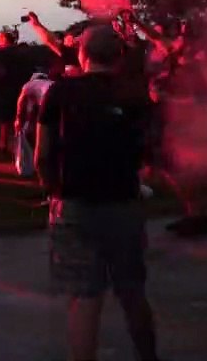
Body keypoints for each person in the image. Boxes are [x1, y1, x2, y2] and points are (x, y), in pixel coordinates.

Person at [36, 24, 159, 361]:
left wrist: (54, 193)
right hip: (124, 203)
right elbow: (148, 149)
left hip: (75, 204)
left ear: (83, 54)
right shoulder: (135, 94)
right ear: (119, 56)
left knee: (85, 296)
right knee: (132, 290)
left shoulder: (58, 93)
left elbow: (42, 155)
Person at [14, 69, 53, 180]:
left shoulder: (29, 85)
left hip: (45, 107)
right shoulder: (51, 84)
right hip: (52, 108)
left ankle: (33, 166)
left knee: (34, 138)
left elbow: (21, 103)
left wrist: (18, 120)